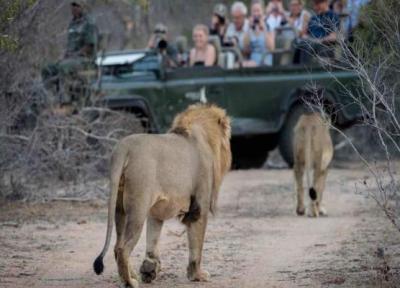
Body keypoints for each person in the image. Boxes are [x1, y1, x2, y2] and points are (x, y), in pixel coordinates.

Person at [42, 0, 98, 95]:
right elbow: (70, 45)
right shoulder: (73, 23)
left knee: (64, 67)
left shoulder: (89, 23)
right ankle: (50, 96)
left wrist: (74, 55)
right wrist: (66, 56)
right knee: (48, 68)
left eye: (77, 5)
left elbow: (89, 46)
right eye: (73, 5)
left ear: (82, 7)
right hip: (71, 59)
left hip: (85, 60)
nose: (74, 7)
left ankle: (65, 97)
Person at [243, 0, 275, 66]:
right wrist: (249, 28)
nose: (256, 14)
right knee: (237, 65)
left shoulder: (269, 26)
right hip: (252, 60)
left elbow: (271, 48)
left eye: (258, 11)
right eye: (254, 11)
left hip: (264, 60)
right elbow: (245, 49)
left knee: (246, 65)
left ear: (262, 11)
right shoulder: (249, 27)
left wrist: (264, 29)